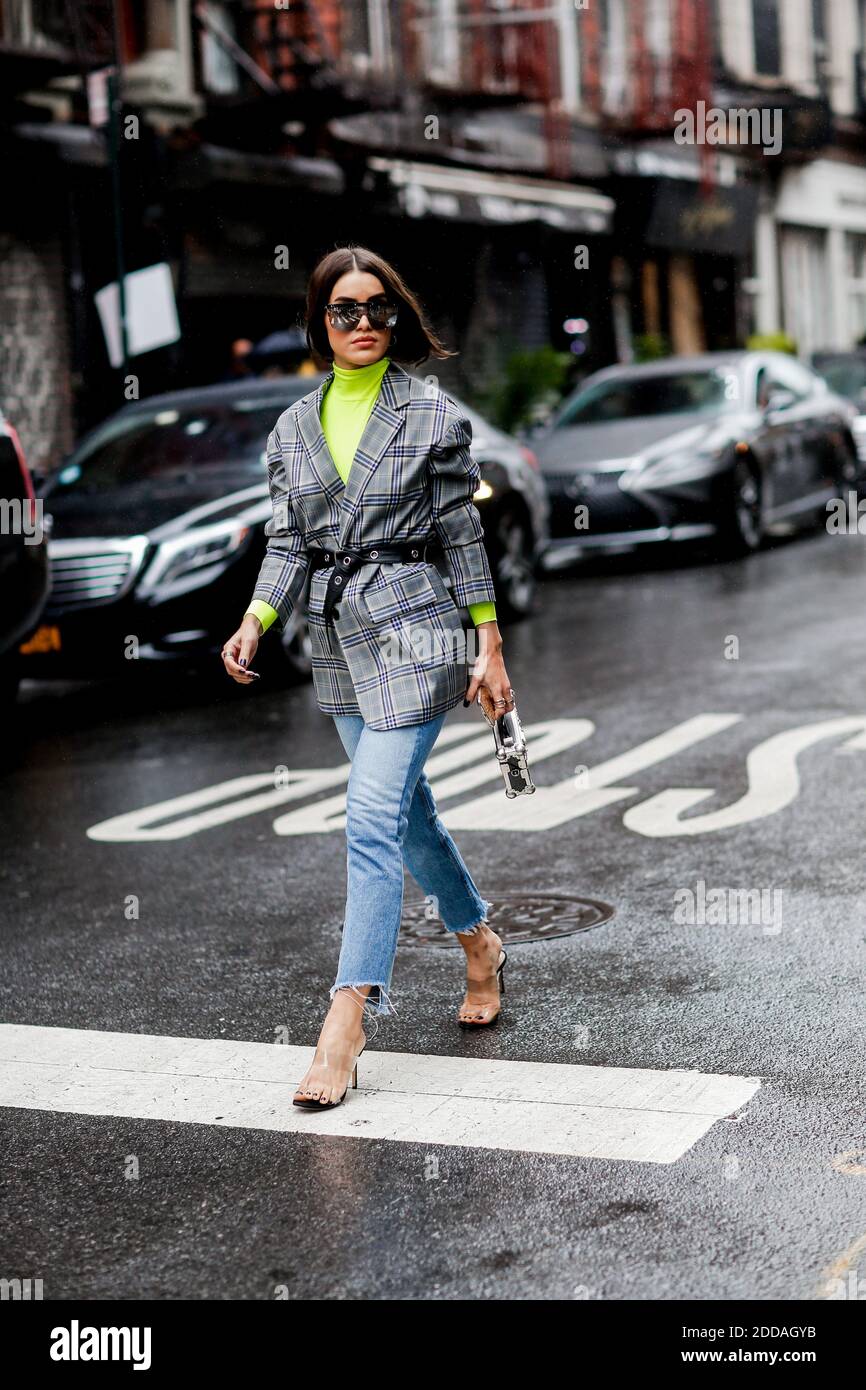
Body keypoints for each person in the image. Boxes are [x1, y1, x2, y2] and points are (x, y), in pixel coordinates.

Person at [221, 245, 516, 1109]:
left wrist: (488, 644)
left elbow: (462, 535)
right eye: (344, 310)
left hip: (421, 628)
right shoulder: (291, 429)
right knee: (407, 812)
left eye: (378, 309)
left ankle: (345, 1021)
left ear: (397, 317)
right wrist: (256, 618)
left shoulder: (430, 414)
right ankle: (479, 941)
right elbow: (288, 543)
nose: (363, 324)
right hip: (339, 635)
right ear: (319, 322)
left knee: (368, 816)